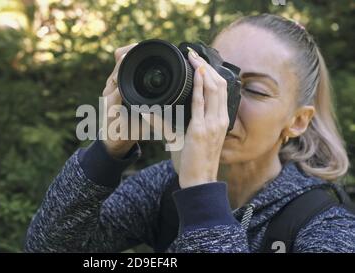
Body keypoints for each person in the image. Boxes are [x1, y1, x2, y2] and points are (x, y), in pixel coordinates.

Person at [24, 14, 355, 252]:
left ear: (298, 120)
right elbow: (48, 247)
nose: (220, 100)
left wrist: (200, 193)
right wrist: (107, 153)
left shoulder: (328, 227)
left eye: (253, 90)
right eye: (215, 78)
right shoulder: (163, 186)